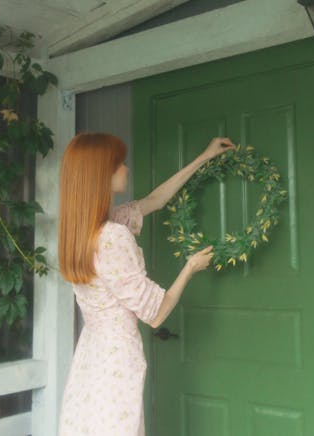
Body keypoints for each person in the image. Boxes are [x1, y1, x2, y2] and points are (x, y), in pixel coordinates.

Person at [57, 133, 235, 436]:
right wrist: (190, 267)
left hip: (91, 356)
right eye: (119, 163)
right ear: (102, 174)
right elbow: (156, 314)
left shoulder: (79, 232)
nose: (126, 168)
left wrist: (203, 157)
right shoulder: (112, 236)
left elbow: (156, 200)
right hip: (116, 359)